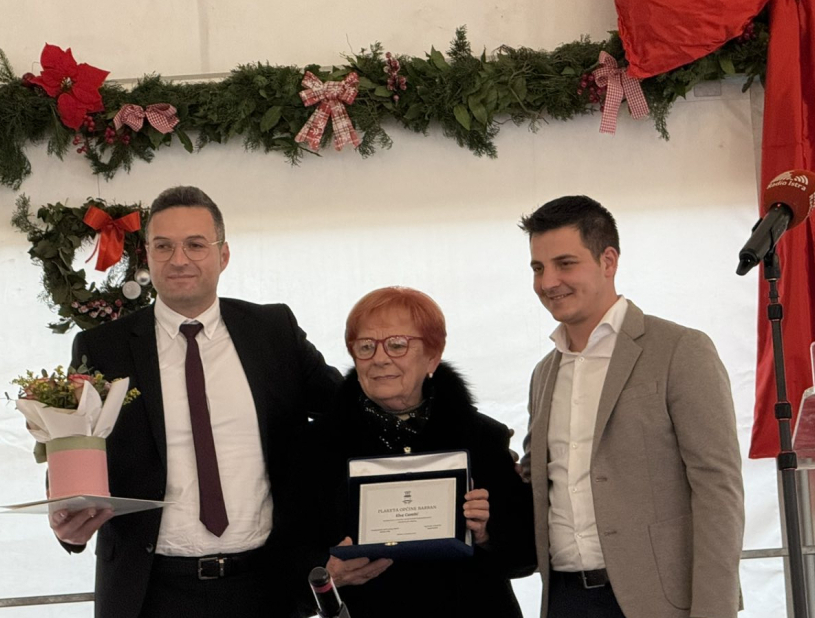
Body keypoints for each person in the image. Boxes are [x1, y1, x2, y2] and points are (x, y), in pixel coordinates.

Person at [48, 186, 342, 618]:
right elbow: (75, 445)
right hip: (149, 592)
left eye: (196, 245)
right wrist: (66, 520)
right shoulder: (103, 348)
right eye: (163, 246)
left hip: (267, 587)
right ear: (147, 256)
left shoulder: (272, 331)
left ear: (223, 255)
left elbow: (345, 415)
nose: (179, 259)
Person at [518, 196, 744, 618]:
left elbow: (718, 489)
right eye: (537, 267)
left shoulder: (680, 349)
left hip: (659, 604)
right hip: (565, 600)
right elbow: (536, 482)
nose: (548, 282)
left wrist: (715, 610)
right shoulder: (544, 373)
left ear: (608, 261)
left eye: (565, 264)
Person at [303, 286, 533, 618]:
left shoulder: (483, 437)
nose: (380, 358)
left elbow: (526, 554)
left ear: (432, 356)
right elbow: (288, 553)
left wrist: (486, 533)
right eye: (366, 346)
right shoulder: (315, 447)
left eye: (397, 345)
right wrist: (328, 573)